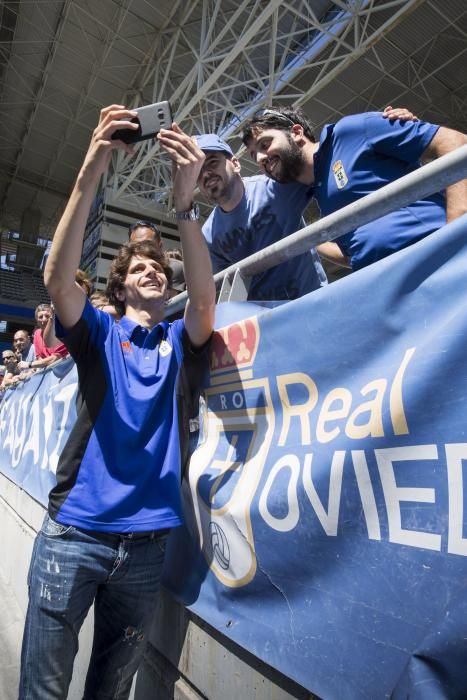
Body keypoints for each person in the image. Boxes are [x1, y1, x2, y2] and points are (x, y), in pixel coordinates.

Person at [19, 105, 215, 699]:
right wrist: (93, 162)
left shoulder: (181, 342)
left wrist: (184, 209)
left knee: (109, 692)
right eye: (141, 268)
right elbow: (57, 281)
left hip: (147, 549)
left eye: (160, 268)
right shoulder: (99, 334)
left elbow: (205, 303)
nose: (153, 271)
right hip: (73, 538)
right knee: (44, 691)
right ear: (121, 284)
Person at [242, 106, 467, 271]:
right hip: (392, 285)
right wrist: (308, 239)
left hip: (441, 261)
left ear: (297, 133)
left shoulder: (352, 131)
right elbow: (354, 253)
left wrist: (455, 233)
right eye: (254, 155)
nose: (261, 157)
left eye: (265, 144)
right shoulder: (319, 194)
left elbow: (455, 143)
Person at [195, 133, 327, 301]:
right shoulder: (208, 235)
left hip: (314, 302)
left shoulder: (276, 188)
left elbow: (320, 166)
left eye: (212, 162)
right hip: (265, 321)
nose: (206, 174)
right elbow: (221, 292)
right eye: (197, 172)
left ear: (235, 164)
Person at [128, 220, 186, 298]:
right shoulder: (126, 272)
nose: (142, 250)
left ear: (160, 246)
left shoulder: (174, 267)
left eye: (148, 244)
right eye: (136, 246)